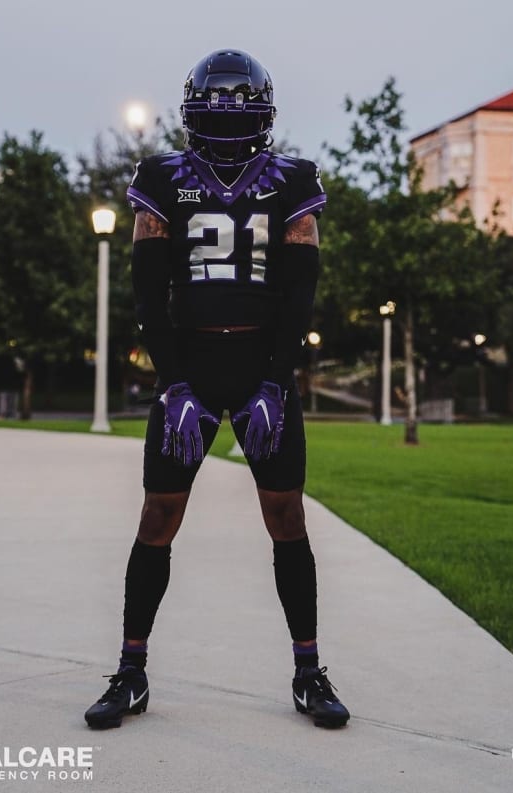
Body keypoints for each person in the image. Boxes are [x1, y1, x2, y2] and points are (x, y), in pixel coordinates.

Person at [84, 49, 350, 730]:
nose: (227, 127)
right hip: (191, 366)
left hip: (260, 363)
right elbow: (147, 291)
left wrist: (275, 379)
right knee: (157, 519)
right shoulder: (161, 177)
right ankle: (131, 670)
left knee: (287, 517)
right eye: (216, 113)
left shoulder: (293, 178)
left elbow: (299, 294)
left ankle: (308, 671)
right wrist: (172, 381)